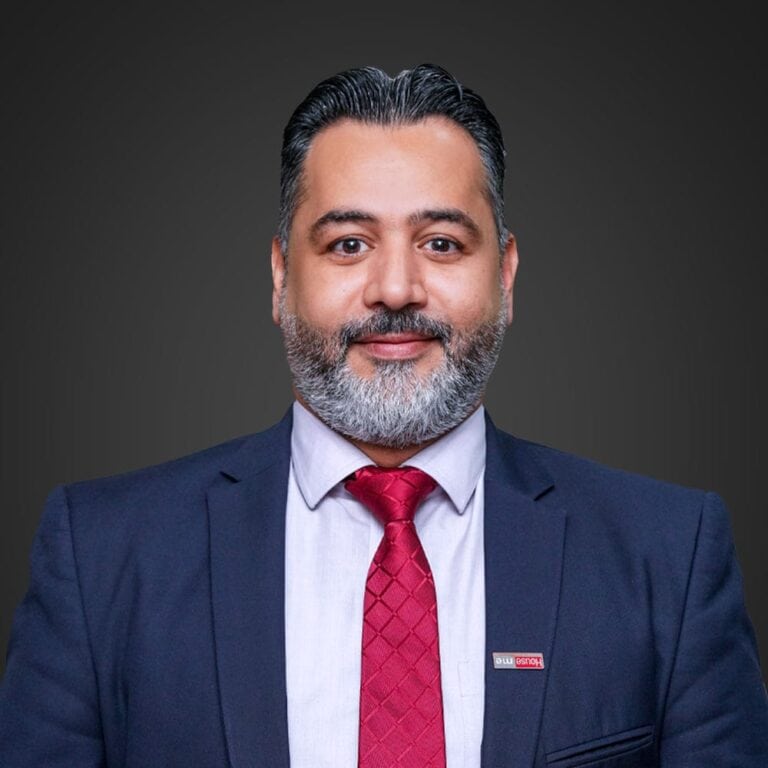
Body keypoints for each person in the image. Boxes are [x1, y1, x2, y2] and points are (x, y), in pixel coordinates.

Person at [0, 63, 766, 767]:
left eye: (440, 242)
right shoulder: (100, 556)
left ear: (505, 275)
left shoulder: (670, 557)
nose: (395, 288)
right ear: (278, 277)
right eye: (347, 243)